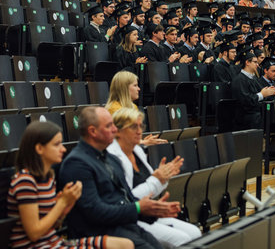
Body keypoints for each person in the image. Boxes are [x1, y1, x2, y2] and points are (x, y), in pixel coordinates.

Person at [59, 107, 179, 248]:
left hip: (124, 226)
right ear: (93, 131)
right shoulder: (77, 164)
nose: (115, 130)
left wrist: (153, 210)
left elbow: (127, 199)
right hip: (98, 233)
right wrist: (138, 208)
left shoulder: (111, 159)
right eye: (109, 126)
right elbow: (95, 212)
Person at [8, 120, 133, 249]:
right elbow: (34, 233)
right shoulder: (25, 181)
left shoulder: (48, 178)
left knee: (125, 244)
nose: (63, 149)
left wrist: (64, 209)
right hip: (37, 246)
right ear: (39, 148)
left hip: (54, 242)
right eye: (56, 144)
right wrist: (61, 203)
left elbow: (53, 225)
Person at [108, 108, 202, 248]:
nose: (140, 131)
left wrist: (164, 176)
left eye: (141, 126)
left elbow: (154, 187)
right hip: (131, 218)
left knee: (195, 233)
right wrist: (156, 180)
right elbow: (126, 199)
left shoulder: (137, 150)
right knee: (182, 239)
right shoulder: (112, 157)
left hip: (149, 212)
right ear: (118, 130)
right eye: (134, 126)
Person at [231, 47, 275, 129]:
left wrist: (270, 92)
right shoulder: (239, 80)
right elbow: (245, 101)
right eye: (255, 62)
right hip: (245, 117)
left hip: (256, 113)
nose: (257, 64)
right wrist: (262, 94)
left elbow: (262, 93)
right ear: (247, 62)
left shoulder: (254, 79)